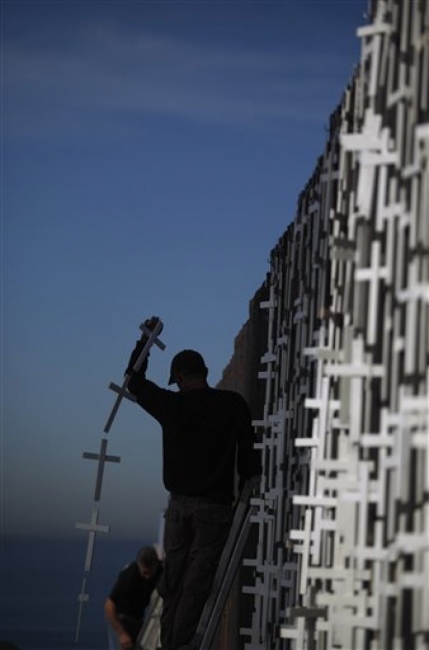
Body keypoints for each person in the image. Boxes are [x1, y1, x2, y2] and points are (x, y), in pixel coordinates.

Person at [125, 317, 261, 650]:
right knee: (198, 584)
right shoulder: (232, 405)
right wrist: (245, 482)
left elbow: (134, 382)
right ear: (204, 372)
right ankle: (177, 644)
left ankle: (170, 644)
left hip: (179, 510)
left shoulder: (173, 405)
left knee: (173, 583)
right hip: (216, 510)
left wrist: (144, 342)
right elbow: (249, 461)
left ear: (181, 378)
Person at [105, 545, 163, 650]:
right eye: (144, 573)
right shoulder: (128, 577)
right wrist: (121, 633)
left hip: (138, 618)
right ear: (139, 565)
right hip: (121, 619)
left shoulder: (161, 570)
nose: (147, 577)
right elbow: (109, 605)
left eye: (150, 572)